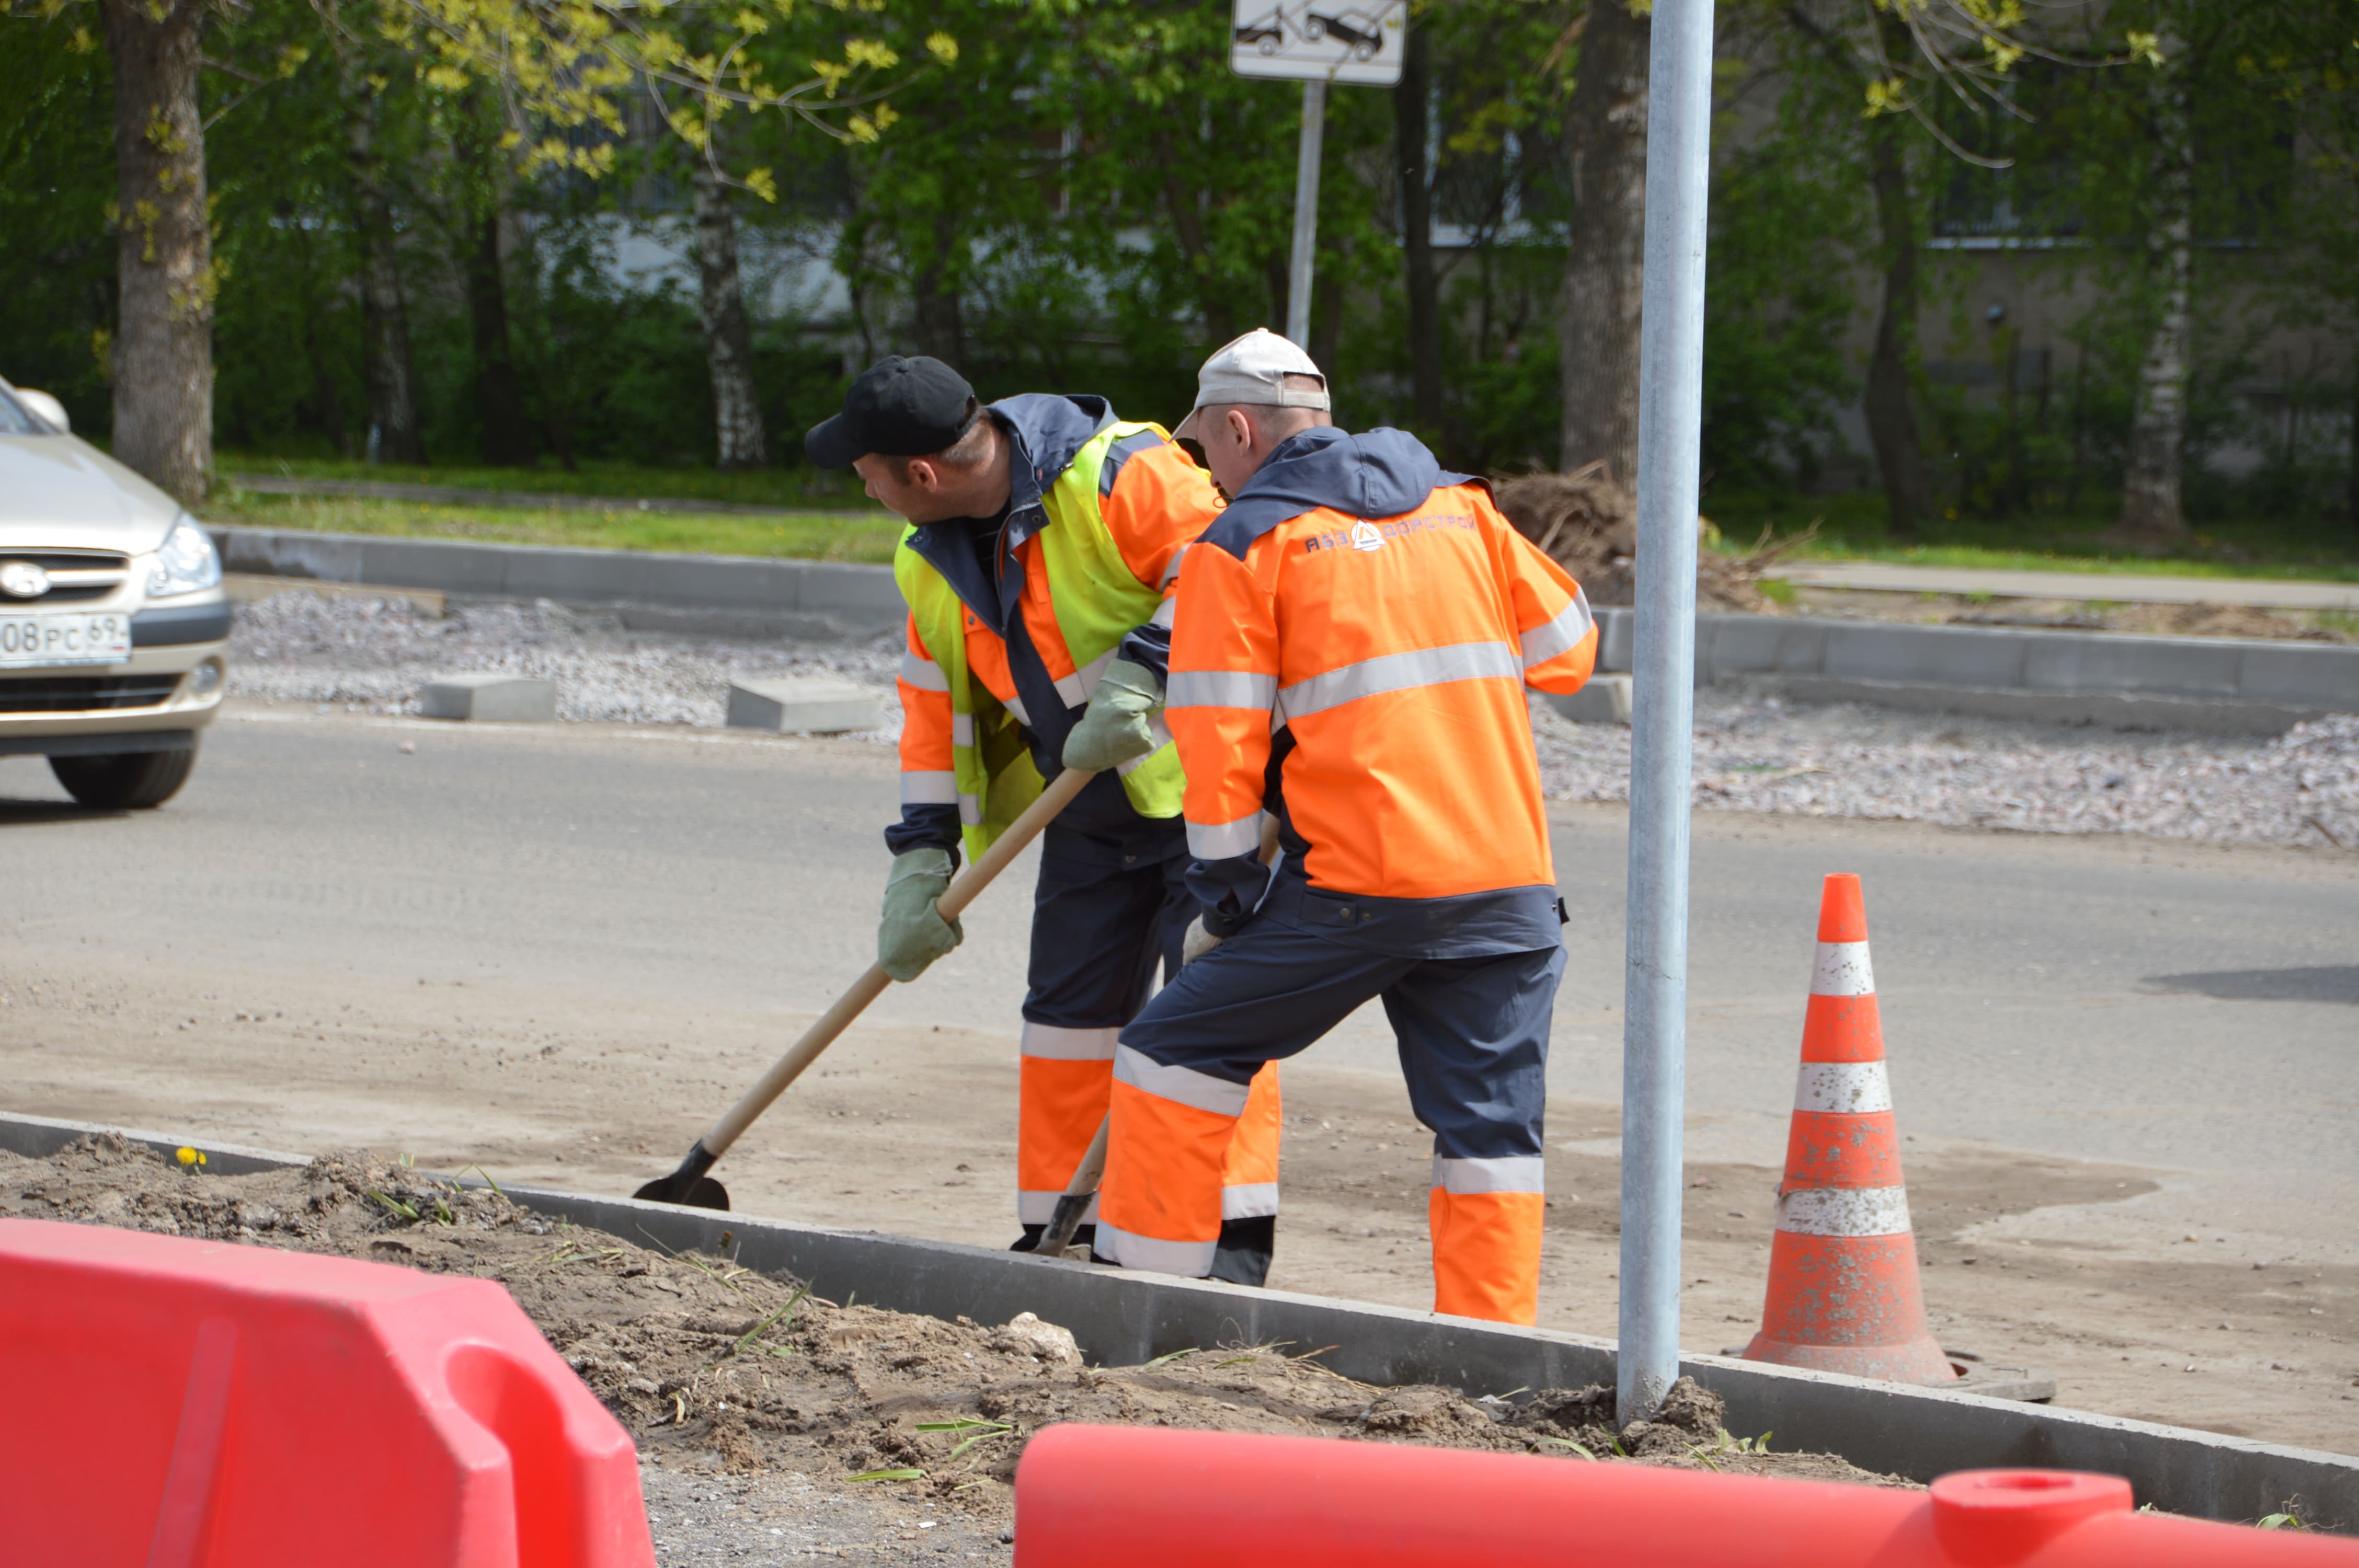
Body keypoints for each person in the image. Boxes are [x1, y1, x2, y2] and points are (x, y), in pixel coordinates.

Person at [1092, 330, 1597, 1324]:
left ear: (1240, 429)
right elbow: (1570, 653)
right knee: (1491, 1137)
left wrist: (1226, 888)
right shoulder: (1465, 507)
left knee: (1170, 1052)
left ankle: (1145, 1311)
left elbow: (1216, 737)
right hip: (1508, 884)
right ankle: (1488, 1360)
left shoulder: (1242, 547)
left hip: (1363, 891)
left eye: (1207, 450)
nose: (1207, 471)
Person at [805, 355, 1281, 1283]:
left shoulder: (1120, 473)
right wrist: (921, 858)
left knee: (1207, 1011)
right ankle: (1058, 1237)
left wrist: (1147, 666)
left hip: (1210, 795)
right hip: (1091, 808)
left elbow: (1235, 561)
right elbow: (931, 713)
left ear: (924, 475)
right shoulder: (925, 559)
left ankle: (1225, 1243)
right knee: (1065, 1017)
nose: (863, 488)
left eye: (866, 473)